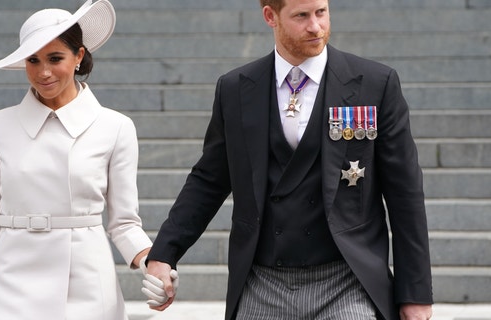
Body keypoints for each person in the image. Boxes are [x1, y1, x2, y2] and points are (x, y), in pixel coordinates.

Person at [144, 0, 434, 319]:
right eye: (301, 16)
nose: (316, 26)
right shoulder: (235, 89)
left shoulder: (375, 83)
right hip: (262, 282)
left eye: (321, 12)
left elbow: (405, 193)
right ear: (271, 16)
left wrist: (415, 295)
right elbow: (209, 180)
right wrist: (164, 254)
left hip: (348, 281)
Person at [0, 1, 154, 319]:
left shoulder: (115, 127)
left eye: (55, 58)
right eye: (33, 60)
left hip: (86, 283)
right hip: (10, 282)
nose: (43, 72)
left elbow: (124, 223)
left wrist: (153, 264)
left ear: (79, 56)